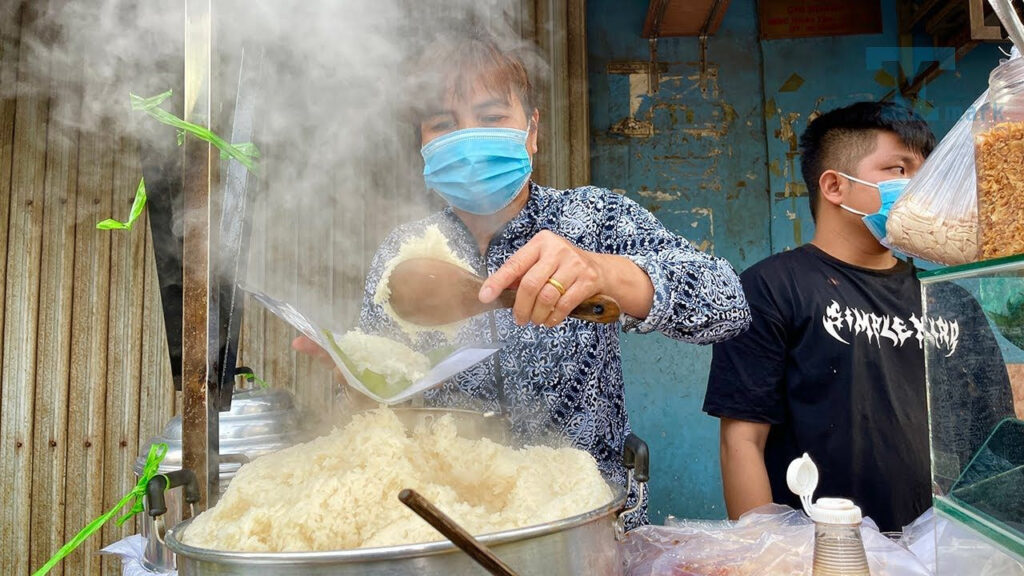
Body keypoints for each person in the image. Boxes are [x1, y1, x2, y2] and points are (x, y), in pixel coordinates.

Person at [298, 30, 751, 528]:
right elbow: (381, 412)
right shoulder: (402, 255)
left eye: (493, 118)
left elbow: (728, 307)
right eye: (443, 124)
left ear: (532, 131)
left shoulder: (593, 217)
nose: (468, 140)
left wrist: (605, 271)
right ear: (422, 145)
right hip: (453, 525)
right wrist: (357, 378)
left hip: (587, 520)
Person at [703, 101, 1014, 533]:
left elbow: (994, 442)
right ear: (834, 186)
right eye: (899, 169)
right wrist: (767, 556)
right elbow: (742, 442)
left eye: (924, 173)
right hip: (822, 551)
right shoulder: (769, 289)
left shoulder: (951, 298)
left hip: (941, 550)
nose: (918, 186)